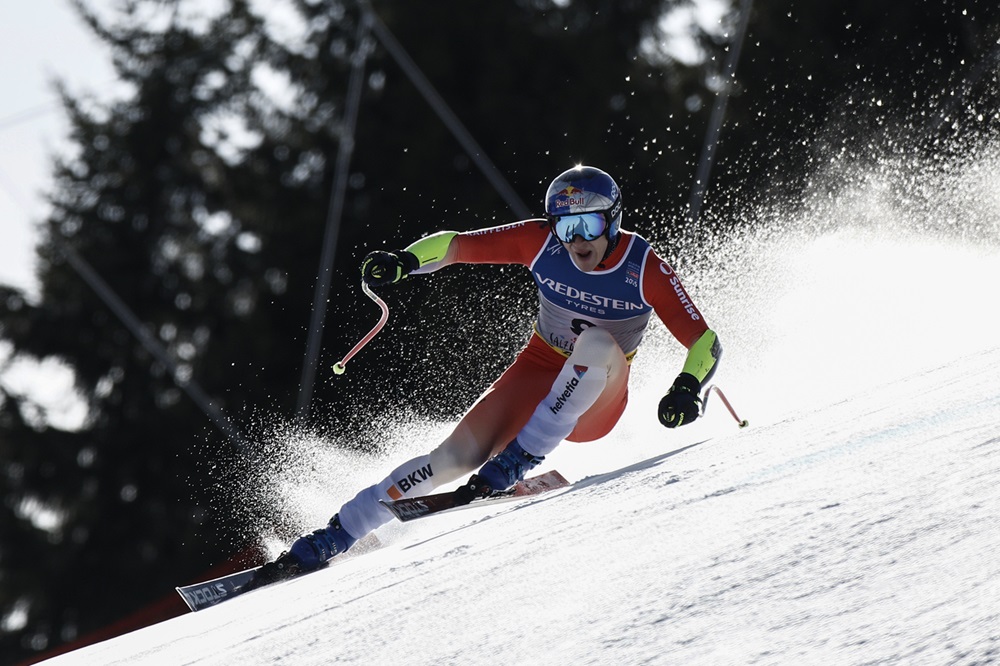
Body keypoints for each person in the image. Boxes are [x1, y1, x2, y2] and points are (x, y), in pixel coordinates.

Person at [251, 165, 721, 585]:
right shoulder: (541, 243)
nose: (577, 240)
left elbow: (705, 340)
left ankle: (517, 460)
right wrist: (406, 261)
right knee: (453, 457)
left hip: (597, 398)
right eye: (565, 226)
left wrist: (687, 386)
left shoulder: (643, 267)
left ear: (613, 220)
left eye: (589, 224)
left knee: (596, 342)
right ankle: (337, 534)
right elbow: (457, 245)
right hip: (538, 371)